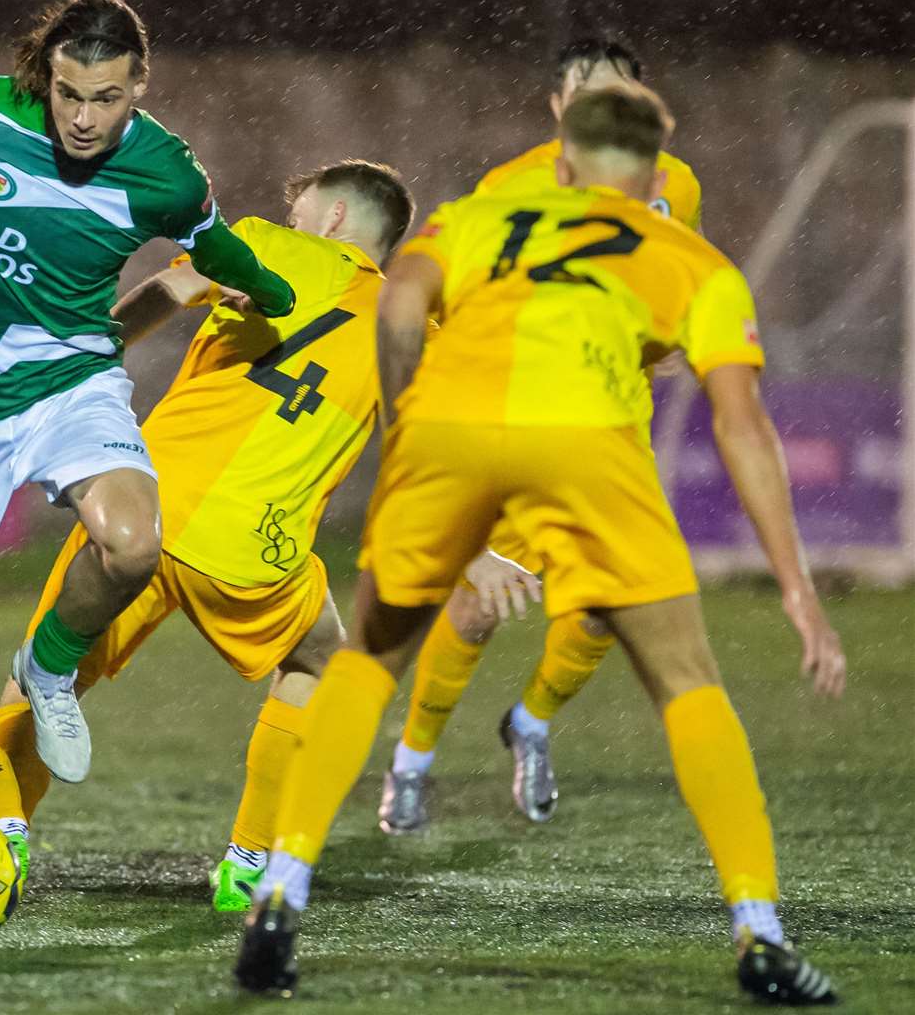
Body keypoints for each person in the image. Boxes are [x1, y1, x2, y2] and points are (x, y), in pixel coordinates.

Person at [236, 86, 844, 1006]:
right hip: (584, 437)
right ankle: (758, 933)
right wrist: (795, 585)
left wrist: (404, 425)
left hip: (449, 425)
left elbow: (399, 297)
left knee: (365, 664)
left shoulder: (480, 215)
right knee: (687, 684)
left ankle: (280, 890)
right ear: (652, 178)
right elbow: (742, 424)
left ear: (560, 161)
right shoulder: (688, 258)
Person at [0, 0, 297, 923]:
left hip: (68, 383)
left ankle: (47, 669)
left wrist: (269, 293)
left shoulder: (167, 176)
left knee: (132, 546)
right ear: (46, 79)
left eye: (110, 98)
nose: (86, 118)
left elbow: (234, 260)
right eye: (72, 94)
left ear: (140, 89)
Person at [0, 162, 534, 909]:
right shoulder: (407, 322)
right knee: (320, 664)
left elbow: (163, 294)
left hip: (142, 504)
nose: (293, 221)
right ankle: (247, 859)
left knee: (40, 677)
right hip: (253, 552)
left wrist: (79, 358)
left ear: (331, 217)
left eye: (301, 210)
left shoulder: (257, 244)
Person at [380, 38, 710, 833]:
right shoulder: (508, 188)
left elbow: (664, 281)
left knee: (605, 608)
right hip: (517, 418)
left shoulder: (678, 186)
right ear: (556, 109)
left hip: (610, 426)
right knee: (477, 607)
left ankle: (529, 721)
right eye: (586, 93)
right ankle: (411, 760)